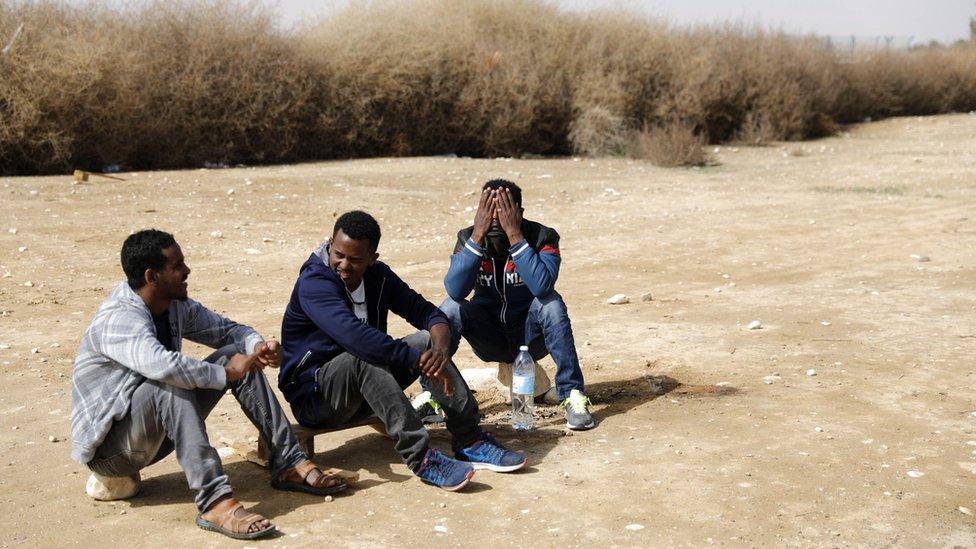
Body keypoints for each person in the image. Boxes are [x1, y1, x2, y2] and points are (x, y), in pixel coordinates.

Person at [71, 229, 345, 541]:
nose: (186, 271)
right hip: (113, 452)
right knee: (169, 384)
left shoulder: (171, 304)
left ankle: (289, 462)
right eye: (177, 266)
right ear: (152, 276)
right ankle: (214, 502)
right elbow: (163, 365)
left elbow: (228, 331)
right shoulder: (120, 318)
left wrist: (256, 348)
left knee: (236, 356)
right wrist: (226, 373)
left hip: (152, 433)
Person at [278, 211, 526, 492]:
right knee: (366, 357)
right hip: (317, 398)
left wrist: (440, 351)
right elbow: (357, 339)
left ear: (373, 258)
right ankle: (422, 458)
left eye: (355, 259)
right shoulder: (314, 284)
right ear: (330, 245)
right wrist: (417, 360)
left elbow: (427, 313)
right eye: (338, 254)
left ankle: (470, 440)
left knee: (424, 341)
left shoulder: (378, 277)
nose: (343, 265)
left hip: (365, 389)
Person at [440, 179, 594, 430]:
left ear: (519, 212)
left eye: (503, 210)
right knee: (449, 308)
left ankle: (571, 394)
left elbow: (542, 287)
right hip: (489, 336)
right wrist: (478, 235)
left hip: (530, 338)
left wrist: (515, 236)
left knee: (551, 303)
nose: (495, 218)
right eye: (488, 210)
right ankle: (432, 395)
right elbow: (456, 290)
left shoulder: (543, 236)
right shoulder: (468, 237)